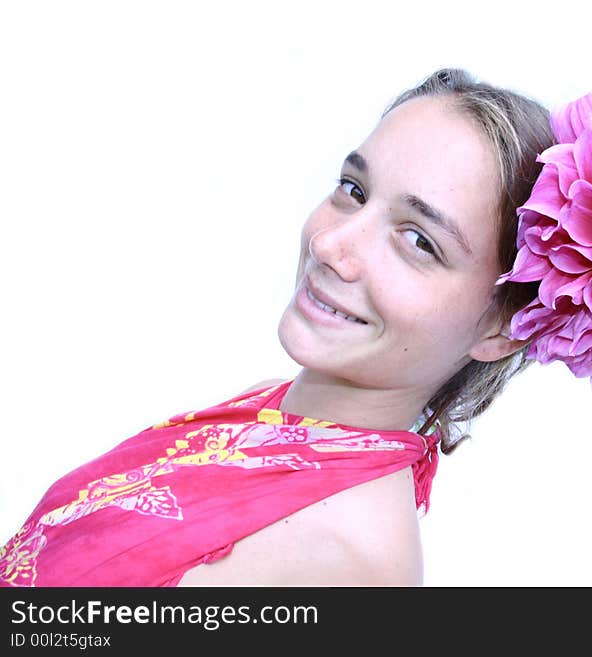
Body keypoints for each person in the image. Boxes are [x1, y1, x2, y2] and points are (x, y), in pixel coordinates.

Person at [0, 68, 555, 587]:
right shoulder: (271, 415)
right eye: (354, 190)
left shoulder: (344, 556)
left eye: (417, 241)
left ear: (504, 327)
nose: (330, 245)